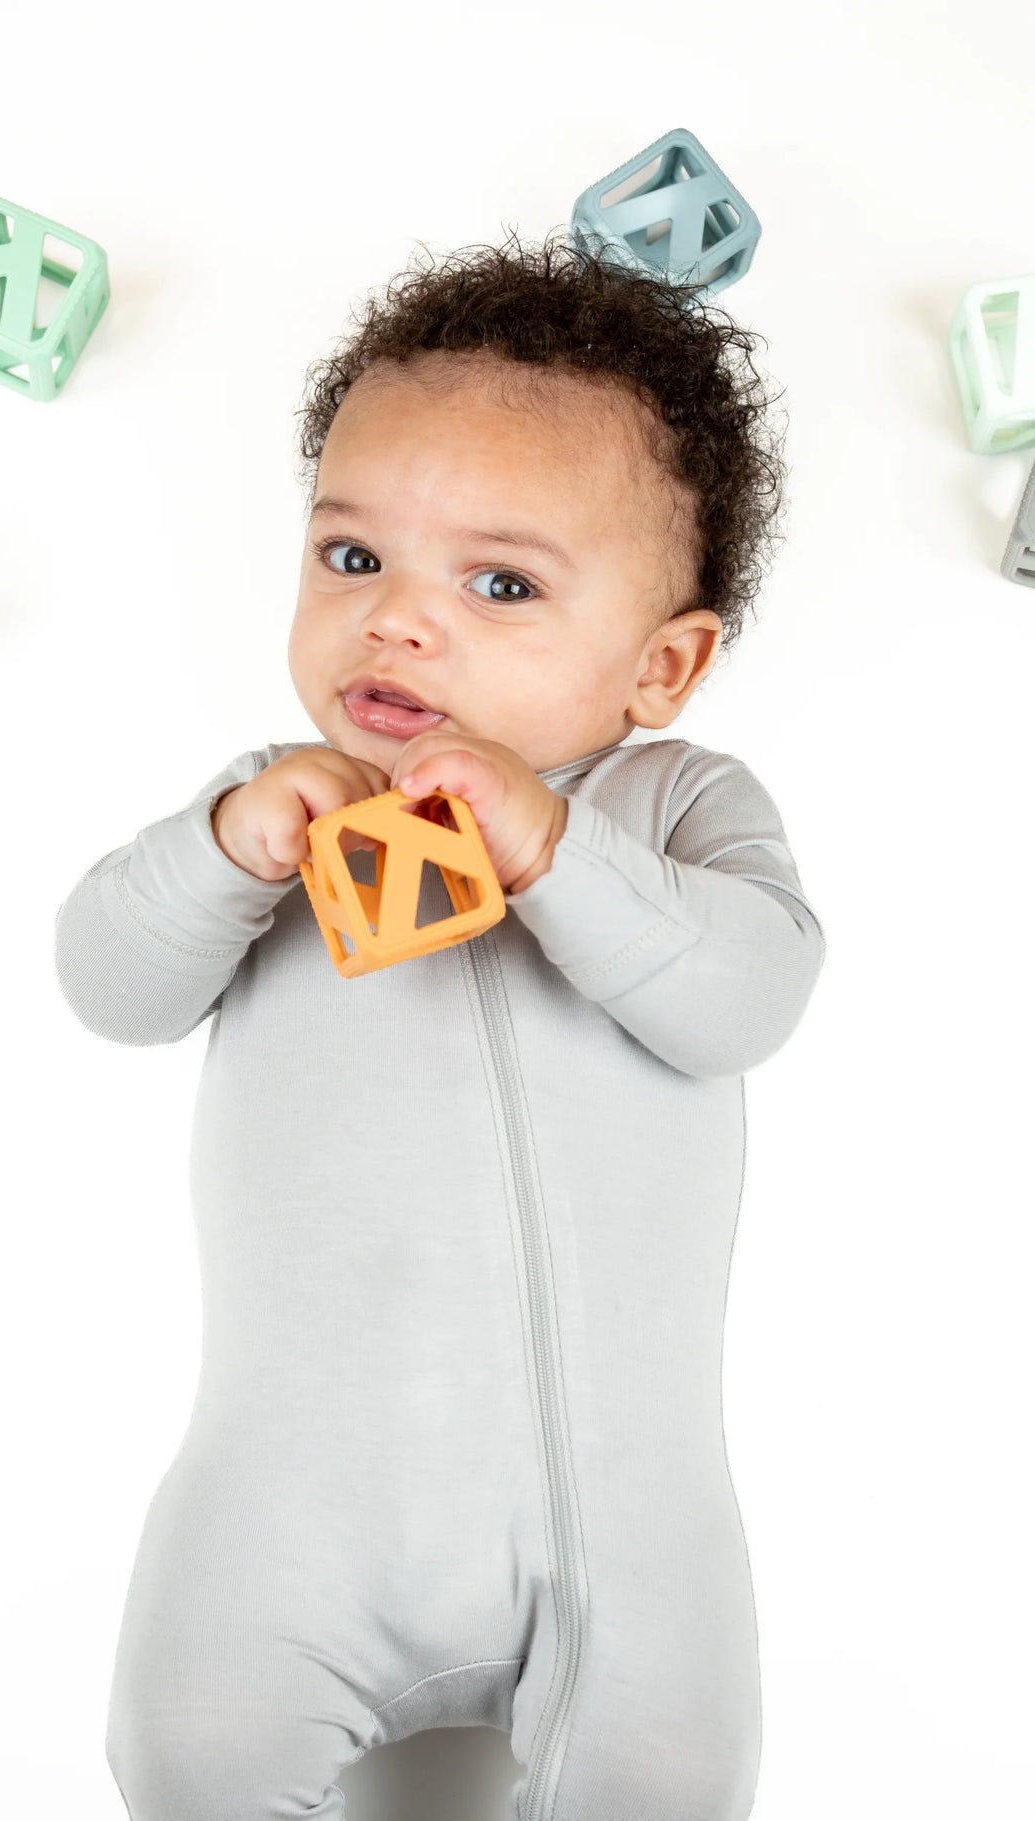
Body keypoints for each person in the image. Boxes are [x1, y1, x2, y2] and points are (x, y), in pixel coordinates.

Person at [54, 229, 827, 1821]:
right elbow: (105, 986)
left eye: (498, 583)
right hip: (295, 1489)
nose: (398, 622)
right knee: (185, 1747)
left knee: (676, 1777)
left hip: (624, 1511)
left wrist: (553, 842)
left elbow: (744, 999)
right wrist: (220, 850)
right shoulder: (277, 806)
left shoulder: (678, 807)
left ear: (661, 663)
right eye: (353, 560)